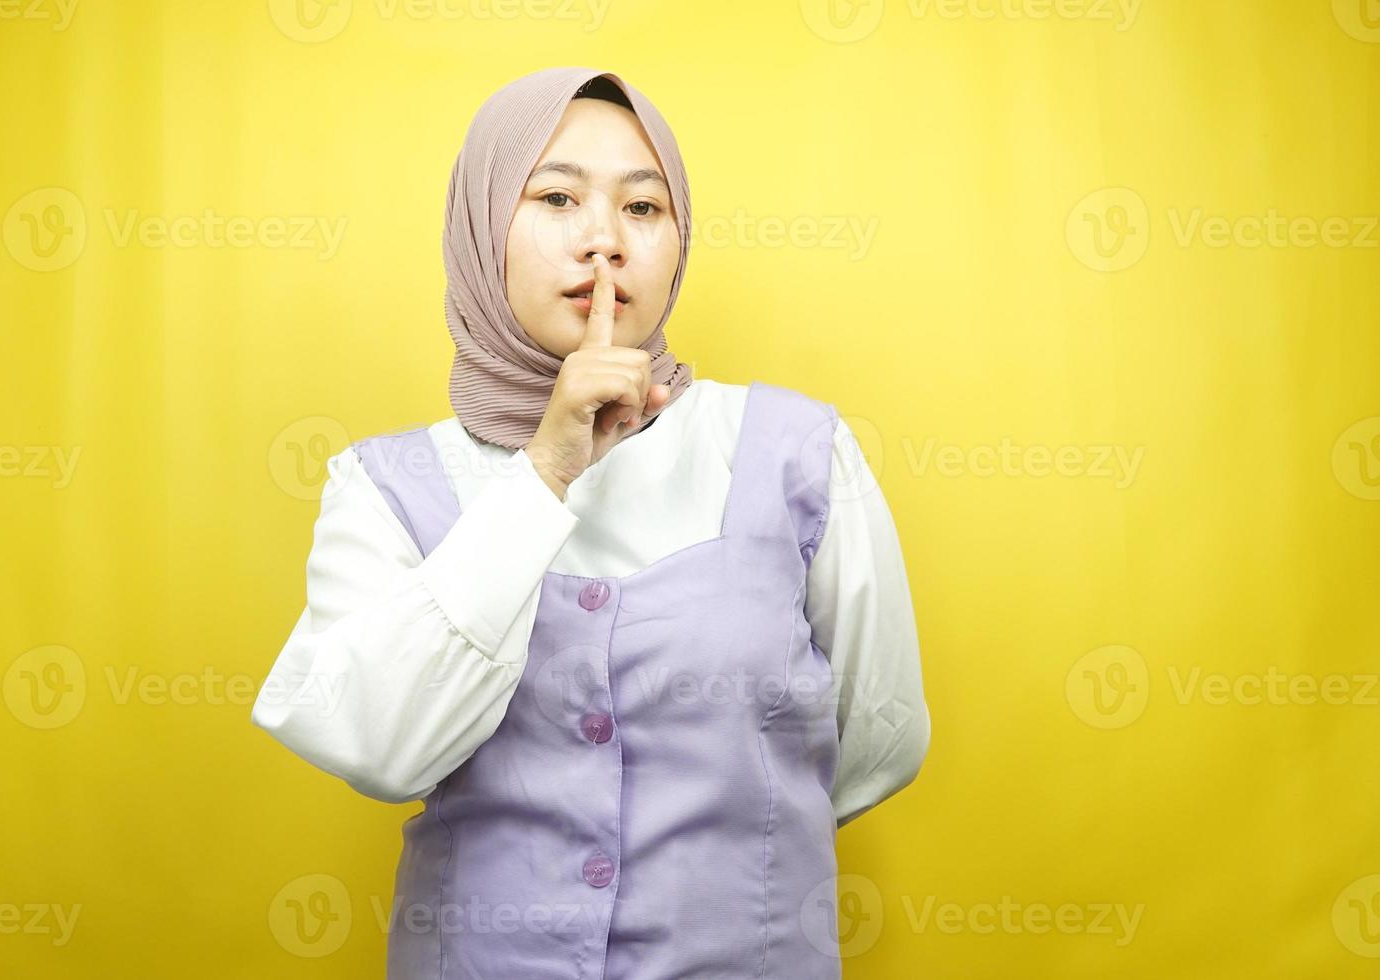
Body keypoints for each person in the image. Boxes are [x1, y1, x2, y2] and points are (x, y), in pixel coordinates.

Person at [252, 66, 930, 979]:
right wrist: (547, 468)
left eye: (643, 210)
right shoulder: (384, 483)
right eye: (557, 197)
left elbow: (876, 737)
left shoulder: (796, 450)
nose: (603, 241)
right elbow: (378, 749)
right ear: (482, 226)